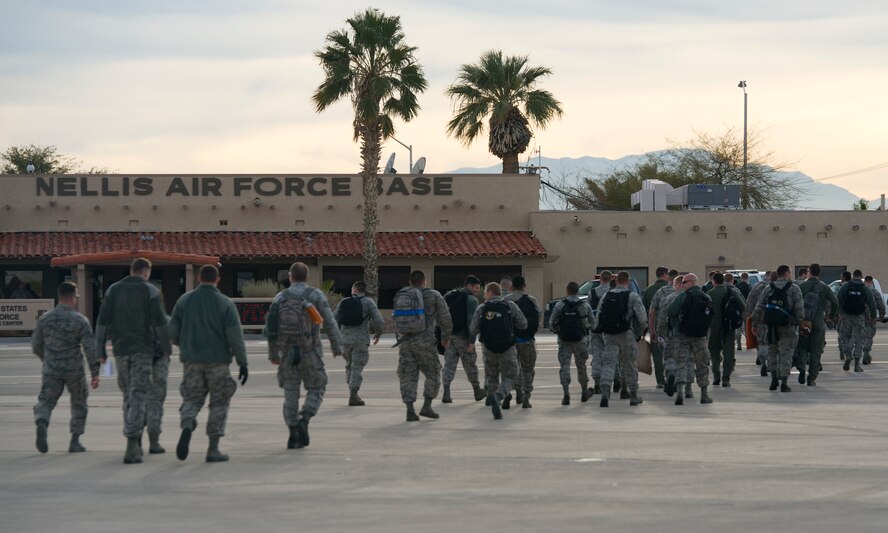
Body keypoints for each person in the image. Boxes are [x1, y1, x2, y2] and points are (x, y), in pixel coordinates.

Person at [95, 258, 171, 464]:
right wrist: (167, 348)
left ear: (131, 270)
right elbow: (161, 324)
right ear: (146, 272)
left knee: (128, 395)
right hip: (142, 349)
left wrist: (99, 350)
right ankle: (133, 443)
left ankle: (134, 439)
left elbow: (102, 322)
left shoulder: (113, 290)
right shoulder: (150, 291)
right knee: (138, 394)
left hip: (120, 350)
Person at [169, 264, 248, 462]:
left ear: (198, 278)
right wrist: (242, 362)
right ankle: (213, 448)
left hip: (192, 360)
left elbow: (172, 332)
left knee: (191, 397)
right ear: (217, 280)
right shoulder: (225, 303)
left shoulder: (184, 301)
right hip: (218, 361)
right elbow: (235, 337)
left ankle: (187, 422)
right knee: (219, 402)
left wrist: (184, 344)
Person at [264, 262, 342, 448]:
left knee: (290, 392)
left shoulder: (280, 297)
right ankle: (304, 419)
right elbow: (329, 322)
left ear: (290, 277)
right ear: (307, 277)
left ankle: (292, 432)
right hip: (310, 351)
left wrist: (273, 353)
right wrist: (336, 346)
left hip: (287, 354)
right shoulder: (315, 295)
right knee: (317, 386)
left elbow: (270, 329)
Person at [31, 282, 100, 454]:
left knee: (46, 400)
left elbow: (35, 345)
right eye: (76, 298)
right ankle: (75, 441)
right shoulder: (80, 320)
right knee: (79, 403)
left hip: (51, 367)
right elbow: (90, 348)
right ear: (71, 298)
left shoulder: (45, 318)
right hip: (74, 368)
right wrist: (95, 372)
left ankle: (42, 420)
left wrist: (47, 359)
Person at [392, 270, 452, 422]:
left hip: (405, 342)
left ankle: (410, 410)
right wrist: (445, 338)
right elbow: (445, 319)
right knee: (433, 373)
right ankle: (427, 405)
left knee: (407, 375)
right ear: (424, 281)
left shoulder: (404, 296)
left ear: (410, 282)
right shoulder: (433, 295)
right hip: (425, 342)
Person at [469, 282, 527, 419]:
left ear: (489, 293)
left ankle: (492, 397)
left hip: (488, 348)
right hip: (507, 347)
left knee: (491, 376)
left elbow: (473, 329)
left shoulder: (482, 308)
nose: (484, 296)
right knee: (511, 374)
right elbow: (523, 324)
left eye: (485, 293)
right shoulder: (509, 305)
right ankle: (500, 395)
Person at [595, 271, 648, 407]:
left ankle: (605, 394)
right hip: (627, 334)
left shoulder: (606, 295)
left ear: (616, 281)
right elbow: (642, 318)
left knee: (608, 363)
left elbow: (599, 316)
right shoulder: (632, 296)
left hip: (609, 335)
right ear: (628, 282)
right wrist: (640, 332)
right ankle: (633, 395)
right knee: (629, 364)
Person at [752, 265, 804, 392]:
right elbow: (799, 309)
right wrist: (800, 323)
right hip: (787, 326)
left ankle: (774, 379)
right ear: (786, 273)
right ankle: (784, 383)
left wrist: (755, 324)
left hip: (771, 326)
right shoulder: (794, 288)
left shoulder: (768, 288)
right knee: (786, 353)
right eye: (790, 272)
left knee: (772, 351)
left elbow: (759, 307)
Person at [333, 280, 385, 405]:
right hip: (360, 341)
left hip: (345, 341)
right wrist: (378, 333)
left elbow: (333, 318)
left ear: (355, 290)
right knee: (356, 368)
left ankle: (352, 391)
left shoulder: (343, 302)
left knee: (349, 366)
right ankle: (353, 394)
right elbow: (378, 320)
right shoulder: (368, 302)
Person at [666, 273, 714, 405]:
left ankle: (680, 393)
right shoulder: (706, 297)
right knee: (702, 364)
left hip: (682, 335)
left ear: (691, 282)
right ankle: (704, 394)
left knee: (681, 363)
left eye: (684, 282)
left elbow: (670, 312)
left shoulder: (682, 296)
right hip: (700, 336)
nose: (682, 285)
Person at [439, 276, 485, 403]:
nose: (477, 291)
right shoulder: (471, 300)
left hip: (449, 337)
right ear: (469, 285)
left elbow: (441, 317)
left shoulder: (449, 295)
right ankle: (477, 390)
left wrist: (443, 337)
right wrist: (471, 341)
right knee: (470, 365)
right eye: (476, 288)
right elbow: (472, 322)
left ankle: (446, 393)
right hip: (463, 338)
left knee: (449, 365)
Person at [549, 281, 594, 405]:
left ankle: (566, 394)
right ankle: (584, 391)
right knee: (581, 366)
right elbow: (593, 323)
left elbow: (551, 323)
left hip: (564, 340)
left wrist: (558, 331)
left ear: (567, 291)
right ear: (578, 292)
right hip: (580, 340)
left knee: (564, 366)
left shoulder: (559, 305)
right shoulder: (585, 306)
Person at [795, 263, 838, 386]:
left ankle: (801, 368)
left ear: (809, 272)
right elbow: (835, 302)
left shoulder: (801, 286)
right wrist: (831, 316)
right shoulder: (824, 287)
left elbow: (794, 303)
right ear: (819, 273)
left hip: (804, 322)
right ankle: (812, 378)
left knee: (802, 347)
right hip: (818, 323)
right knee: (815, 350)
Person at [504, 275, 541, 408]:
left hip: (510, 342)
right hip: (527, 340)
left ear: (511, 287)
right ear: (524, 286)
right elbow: (539, 317)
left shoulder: (506, 300)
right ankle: (526, 397)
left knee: (511, 369)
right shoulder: (531, 300)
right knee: (528, 369)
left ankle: (514, 390)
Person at [707, 272, 746, 387]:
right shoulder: (731, 292)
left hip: (714, 326)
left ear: (713, 281)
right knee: (728, 352)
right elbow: (743, 306)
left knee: (714, 351)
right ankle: (726, 378)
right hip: (728, 326)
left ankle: (716, 376)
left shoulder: (709, 294)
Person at [836, 269, 877, 372]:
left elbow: (837, 300)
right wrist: (873, 317)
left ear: (853, 276)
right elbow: (872, 304)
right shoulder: (865, 288)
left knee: (845, 336)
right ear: (861, 276)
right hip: (859, 317)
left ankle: (848, 355)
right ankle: (857, 365)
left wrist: (836, 314)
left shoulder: (845, 286)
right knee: (859, 339)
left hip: (846, 316)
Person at [642, 266, 670, 389]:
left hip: (653, 327)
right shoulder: (671, 289)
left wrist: (645, 329)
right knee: (670, 353)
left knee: (657, 354)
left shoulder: (648, 291)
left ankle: (660, 380)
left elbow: (644, 310)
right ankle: (670, 376)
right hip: (669, 327)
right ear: (665, 275)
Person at [589, 271, 613, 395]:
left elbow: (588, 309)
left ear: (600, 279)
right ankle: (613, 380)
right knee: (611, 356)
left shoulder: (592, 292)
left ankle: (597, 381)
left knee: (597, 355)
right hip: (609, 328)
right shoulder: (612, 293)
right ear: (610, 280)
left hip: (595, 328)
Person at [746, 270, 772, 376]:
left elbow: (750, 301)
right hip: (774, 319)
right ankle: (771, 364)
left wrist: (750, 315)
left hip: (760, 318)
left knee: (761, 341)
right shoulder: (775, 287)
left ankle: (762, 361)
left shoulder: (757, 286)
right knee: (773, 342)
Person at [862, 275, 886, 365]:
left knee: (859, 336)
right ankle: (866, 353)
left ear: (864, 282)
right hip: (871, 318)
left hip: (859, 317)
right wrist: (881, 317)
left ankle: (855, 353)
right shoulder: (875, 292)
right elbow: (881, 305)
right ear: (871, 282)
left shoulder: (861, 291)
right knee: (868, 336)